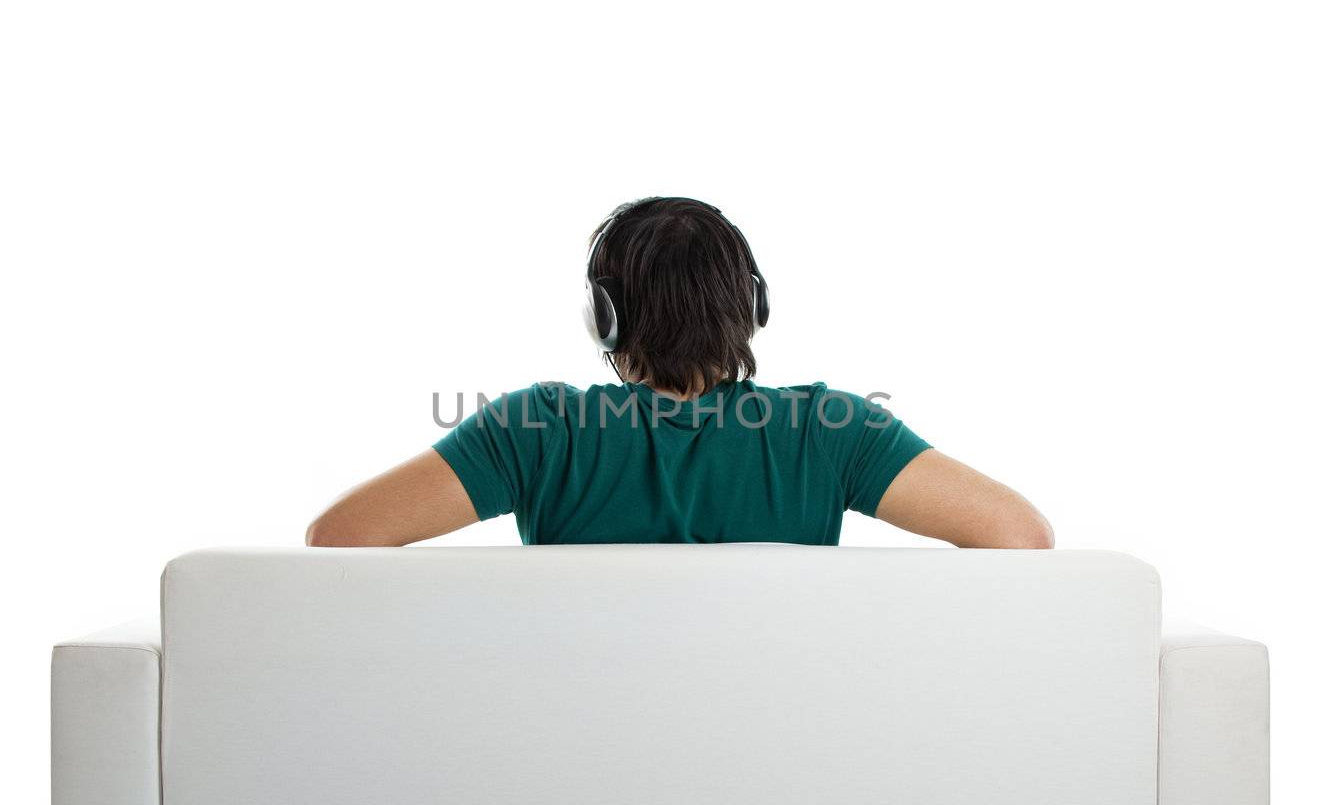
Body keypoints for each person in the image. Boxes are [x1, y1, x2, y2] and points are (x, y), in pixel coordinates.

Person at [306, 196, 1053, 550]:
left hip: (565, 766)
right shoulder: (833, 432)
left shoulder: (535, 432)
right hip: (788, 767)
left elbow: (339, 537)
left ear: (605, 317)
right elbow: (1018, 535)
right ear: (752, 309)